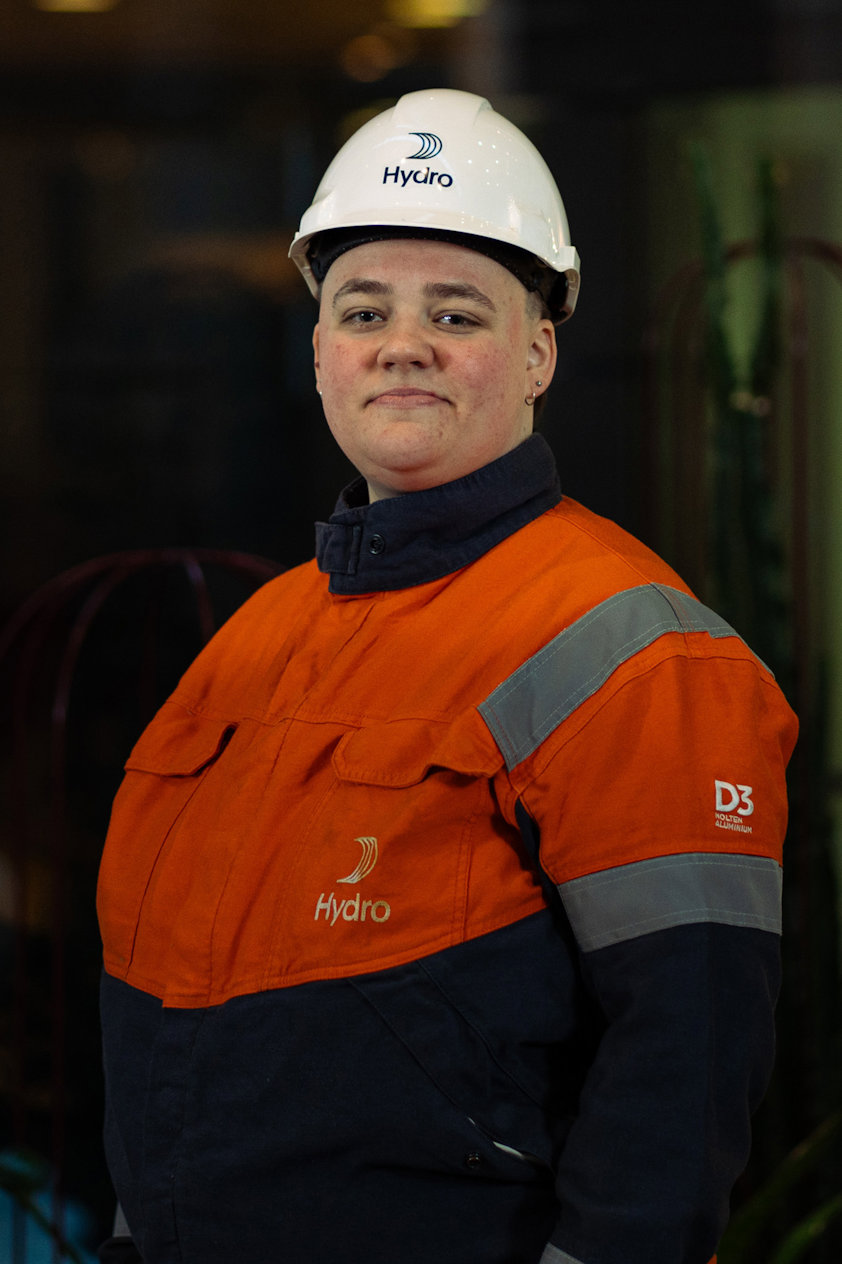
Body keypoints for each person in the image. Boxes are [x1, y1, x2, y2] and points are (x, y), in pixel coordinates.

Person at [96, 88, 798, 1264]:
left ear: (537, 353)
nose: (401, 341)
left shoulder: (635, 649)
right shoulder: (248, 645)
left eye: (456, 312)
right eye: (361, 308)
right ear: (319, 350)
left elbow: (686, 1059)